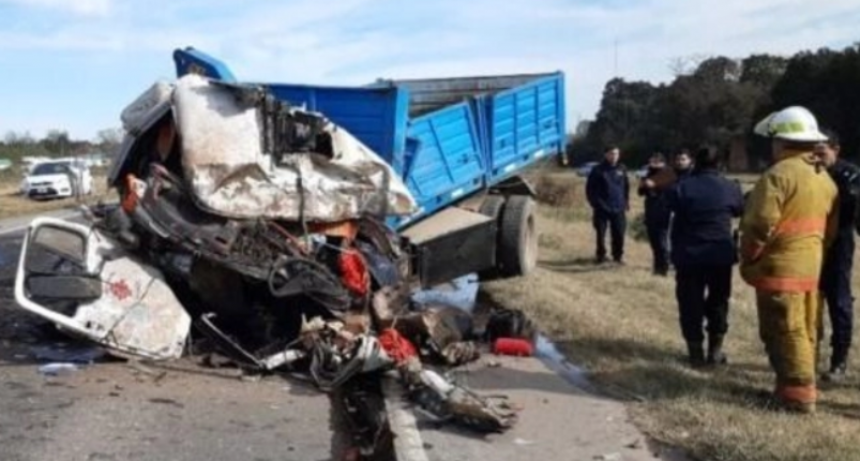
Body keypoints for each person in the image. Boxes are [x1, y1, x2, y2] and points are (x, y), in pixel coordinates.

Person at [740, 106, 838, 414]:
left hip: (779, 269)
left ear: (783, 142)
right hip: (811, 268)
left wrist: (750, 256)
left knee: (785, 330)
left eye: (774, 141)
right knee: (807, 328)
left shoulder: (778, 175)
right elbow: (830, 230)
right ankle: (788, 390)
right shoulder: (824, 178)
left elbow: (759, 224)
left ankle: (797, 399)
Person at [667, 146, 744, 367]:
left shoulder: (682, 187)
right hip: (720, 254)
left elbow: (668, 205)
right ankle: (715, 351)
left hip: (689, 254)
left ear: (695, 163)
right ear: (720, 164)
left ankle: (695, 353)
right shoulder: (731, 187)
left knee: (690, 303)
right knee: (719, 302)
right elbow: (739, 210)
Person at [815, 130, 860, 382]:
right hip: (812, 242)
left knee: (839, 300)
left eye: (822, 153)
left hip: (839, 244)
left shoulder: (849, 173)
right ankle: (807, 355)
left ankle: (839, 360)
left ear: (836, 149)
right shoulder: (810, 171)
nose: (819, 159)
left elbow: (851, 203)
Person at [586, 146, 630, 264]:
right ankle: (601, 256)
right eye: (611, 153)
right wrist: (595, 203)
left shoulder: (622, 168)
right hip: (602, 207)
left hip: (618, 207)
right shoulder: (597, 169)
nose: (614, 156)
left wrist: (626, 202)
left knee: (619, 233)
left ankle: (618, 256)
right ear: (606, 154)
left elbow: (626, 187)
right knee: (601, 234)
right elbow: (590, 189)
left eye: (616, 154)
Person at [638, 153, 672, 275]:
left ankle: (664, 267)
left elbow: (658, 185)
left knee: (662, 240)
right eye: (651, 161)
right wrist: (643, 185)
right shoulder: (649, 173)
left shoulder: (668, 173)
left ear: (662, 162)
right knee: (654, 241)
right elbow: (641, 191)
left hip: (664, 210)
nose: (652, 164)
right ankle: (657, 266)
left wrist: (652, 183)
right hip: (651, 209)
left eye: (656, 162)